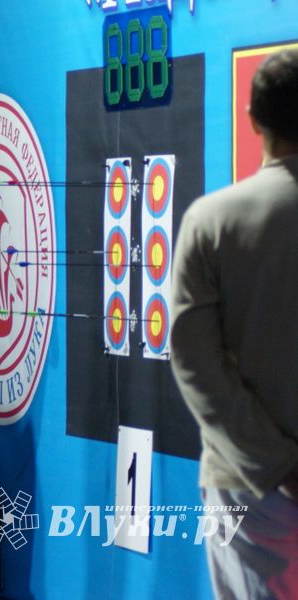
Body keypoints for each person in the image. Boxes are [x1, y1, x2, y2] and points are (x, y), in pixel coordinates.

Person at [170, 48, 298, 600]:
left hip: (243, 487)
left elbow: (195, 363)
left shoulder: (211, 220)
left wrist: (273, 464)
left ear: (252, 119)